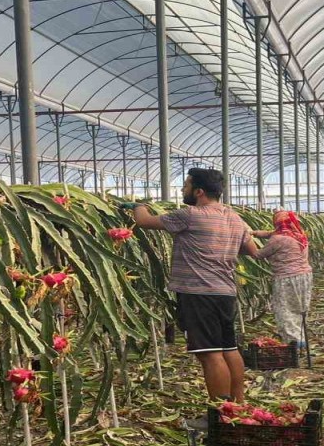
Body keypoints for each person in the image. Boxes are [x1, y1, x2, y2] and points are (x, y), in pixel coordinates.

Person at [125, 168, 258, 403]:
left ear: (199, 192)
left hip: (198, 293)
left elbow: (143, 221)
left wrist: (137, 205)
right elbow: (249, 250)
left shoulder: (190, 215)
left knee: (210, 354)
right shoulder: (235, 219)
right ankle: (239, 404)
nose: (182, 189)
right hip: (225, 292)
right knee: (229, 347)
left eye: (186, 185)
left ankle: (221, 412)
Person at [251, 210, 313, 347]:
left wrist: (244, 243)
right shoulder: (299, 235)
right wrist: (255, 233)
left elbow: (258, 255)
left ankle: (292, 343)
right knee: (299, 308)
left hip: (287, 279)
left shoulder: (277, 240)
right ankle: (301, 338)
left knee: (284, 309)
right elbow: (271, 233)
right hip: (304, 277)